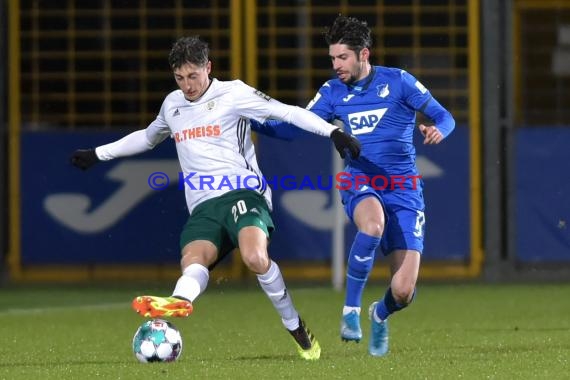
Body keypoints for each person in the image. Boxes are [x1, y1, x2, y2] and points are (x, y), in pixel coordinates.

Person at [70, 35, 360, 361]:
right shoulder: (172, 104)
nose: (188, 85)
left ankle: (294, 326)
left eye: (193, 76)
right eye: (180, 78)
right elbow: (149, 138)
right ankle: (179, 301)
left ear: (208, 67)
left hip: (243, 192)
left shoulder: (233, 93)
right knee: (193, 259)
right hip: (204, 205)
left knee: (254, 258)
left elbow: (287, 112)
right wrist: (98, 154)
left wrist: (333, 132)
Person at [251, 15, 455, 356]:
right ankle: (351, 312)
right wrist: (251, 118)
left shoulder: (400, 82)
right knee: (372, 225)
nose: (336, 65)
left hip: (404, 189)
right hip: (359, 179)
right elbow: (293, 128)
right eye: (332, 58)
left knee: (403, 291)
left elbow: (445, 117)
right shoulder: (332, 92)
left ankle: (379, 313)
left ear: (364, 54)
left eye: (342, 57)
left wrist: (438, 130)